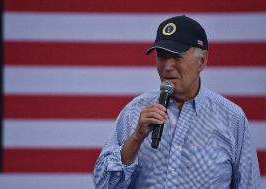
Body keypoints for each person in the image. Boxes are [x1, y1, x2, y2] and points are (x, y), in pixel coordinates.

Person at [93, 15, 261, 189]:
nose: (167, 66)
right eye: (162, 56)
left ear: (202, 60)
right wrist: (136, 138)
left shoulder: (232, 119)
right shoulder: (134, 112)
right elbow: (104, 184)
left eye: (177, 56)